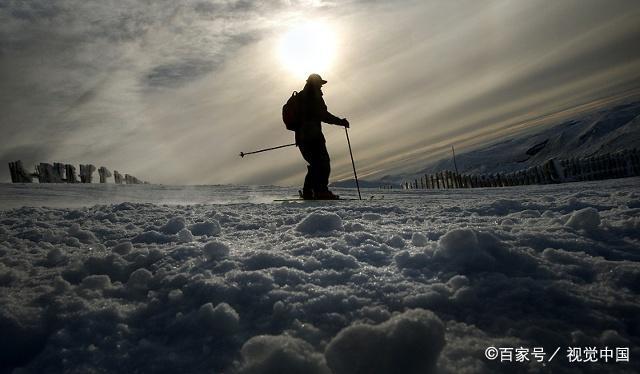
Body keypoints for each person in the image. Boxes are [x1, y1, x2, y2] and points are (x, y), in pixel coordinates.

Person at [295, 73, 349, 200]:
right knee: (323, 163)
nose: (321, 87)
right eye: (320, 84)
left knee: (315, 164)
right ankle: (321, 191)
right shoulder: (313, 96)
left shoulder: (301, 96)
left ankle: (308, 192)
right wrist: (341, 122)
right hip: (313, 137)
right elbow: (323, 115)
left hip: (302, 138)